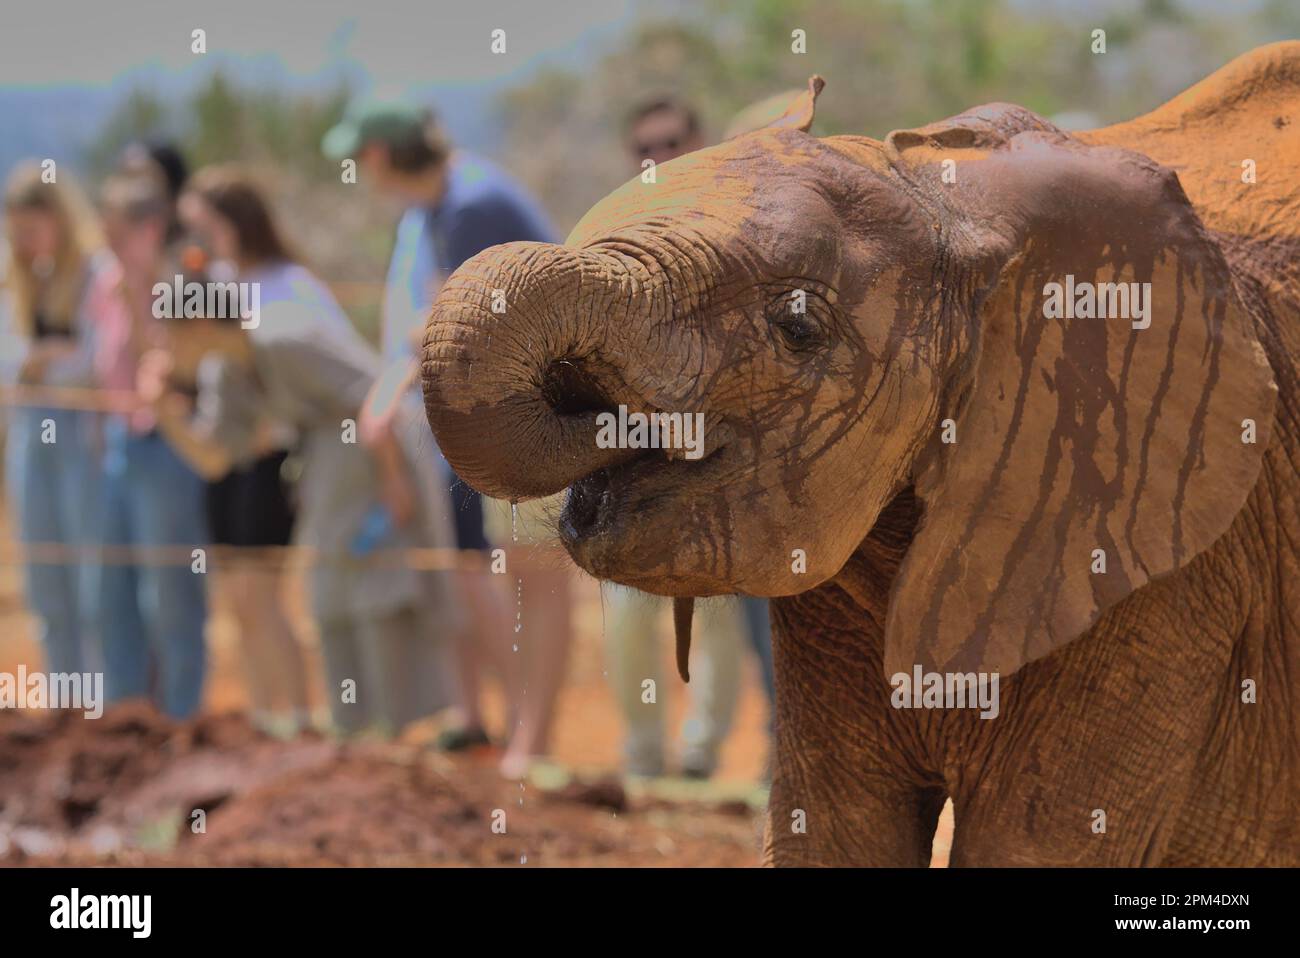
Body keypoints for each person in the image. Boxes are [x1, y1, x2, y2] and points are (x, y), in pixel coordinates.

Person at [144, 166, 462, 737]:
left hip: (373, 458)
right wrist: (168, 415)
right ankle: (353, 738)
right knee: (332, 604)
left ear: (198, 324)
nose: (167, 349)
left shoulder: (281, 334)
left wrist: (390, 481)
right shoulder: (228, 370)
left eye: (173, 335)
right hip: (326, 472)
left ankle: (404, 740)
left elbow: (375, 393)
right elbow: (217, 458)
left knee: (383, 599)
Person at [323, 101, 568, 776]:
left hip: (529, 416)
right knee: (489, 575)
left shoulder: (472, 207)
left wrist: (399, 370)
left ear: (379, 156)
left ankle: (534, 741)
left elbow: (456, 323)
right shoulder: (436, 209)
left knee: (535, 576)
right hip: (482, 420)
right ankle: (515, 732)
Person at [599, 97, 776, 778]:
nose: (659, 156)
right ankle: (643, 751)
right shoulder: (616, 232)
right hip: (637, 455)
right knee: (627, 614)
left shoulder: (736, 226)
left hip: (723, 452)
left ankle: (705, 751)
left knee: (728, 619)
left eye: (672, 141)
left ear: (697, 141)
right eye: (645, 147)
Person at [94, 168, 210, 718]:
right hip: (121, 443)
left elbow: (166, 369)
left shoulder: (184, 280)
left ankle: (181, 717)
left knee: (170, 595)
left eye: (120, 234)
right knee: (113, 592)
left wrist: (140, 299)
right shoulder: (107, 283)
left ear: (152, 228)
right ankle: (127, 714)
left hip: (167, 447)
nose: (111, 247)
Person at [0, 164, 113, 676]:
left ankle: (107, 698)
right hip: (29, 431)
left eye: (31, 228)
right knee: (45, 574)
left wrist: (43, 361)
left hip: (83, 435)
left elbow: (93, 364)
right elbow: (12, 361)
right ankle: (65, 695)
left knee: (92, 573)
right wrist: (44, 357)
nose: (22, 241)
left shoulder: (94, 273)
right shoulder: (17, 279)